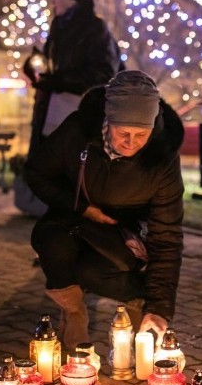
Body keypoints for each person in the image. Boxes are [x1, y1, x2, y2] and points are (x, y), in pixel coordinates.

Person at [22, 70, 185, 350]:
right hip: (73, 220)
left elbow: (167, 236)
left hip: (122, 234)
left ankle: (136, 297)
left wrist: (158, 308)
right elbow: (37, 172)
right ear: (108, 120)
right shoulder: (78, 131)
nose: (131, 143)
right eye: (123, 133)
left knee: (92, 270)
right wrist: (82, 207)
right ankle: (74, 312)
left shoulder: (163, 158)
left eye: (141, 134)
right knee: (51, 242)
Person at [23, 0, 121, 154]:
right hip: (49, 116)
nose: (53, 1)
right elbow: (48, 63)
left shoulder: (95, 29)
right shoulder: (58, 28)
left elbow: (104, 74)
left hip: (77, 116)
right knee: (44, 172)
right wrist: (33, 67)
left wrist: (60, 81)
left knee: (67, 174)